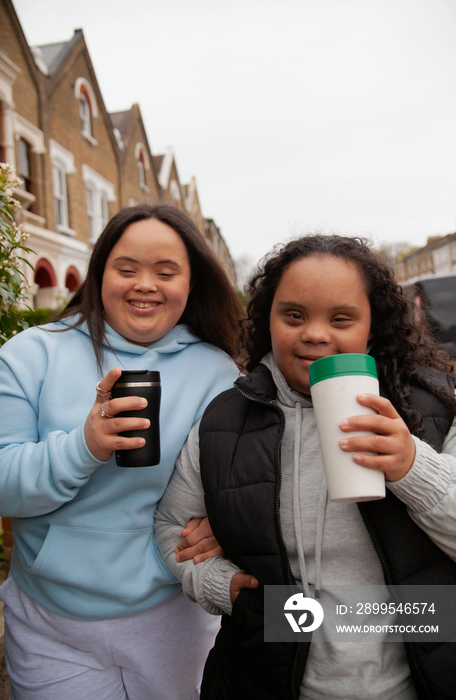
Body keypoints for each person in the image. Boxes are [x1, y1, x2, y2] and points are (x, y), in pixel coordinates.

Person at [156, 234, 456, 700]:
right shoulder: (223, 422)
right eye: (293, 315)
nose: (315, 334)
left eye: (341, 318)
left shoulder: (436, 409)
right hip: (266, 679)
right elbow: (171, 526)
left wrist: (413, 467)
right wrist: (224, 586)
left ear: (372, 325)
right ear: (267, 319)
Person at [0, 203, 243, 700]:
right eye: (126, 269)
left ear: (191, 284)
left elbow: (241, 481)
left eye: (166, 272)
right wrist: (83, 447)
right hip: (52, 625)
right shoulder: (28, 355)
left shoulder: (218, 372)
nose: (144, 284)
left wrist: (228, 523)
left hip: (177, 616)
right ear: (99, 273)